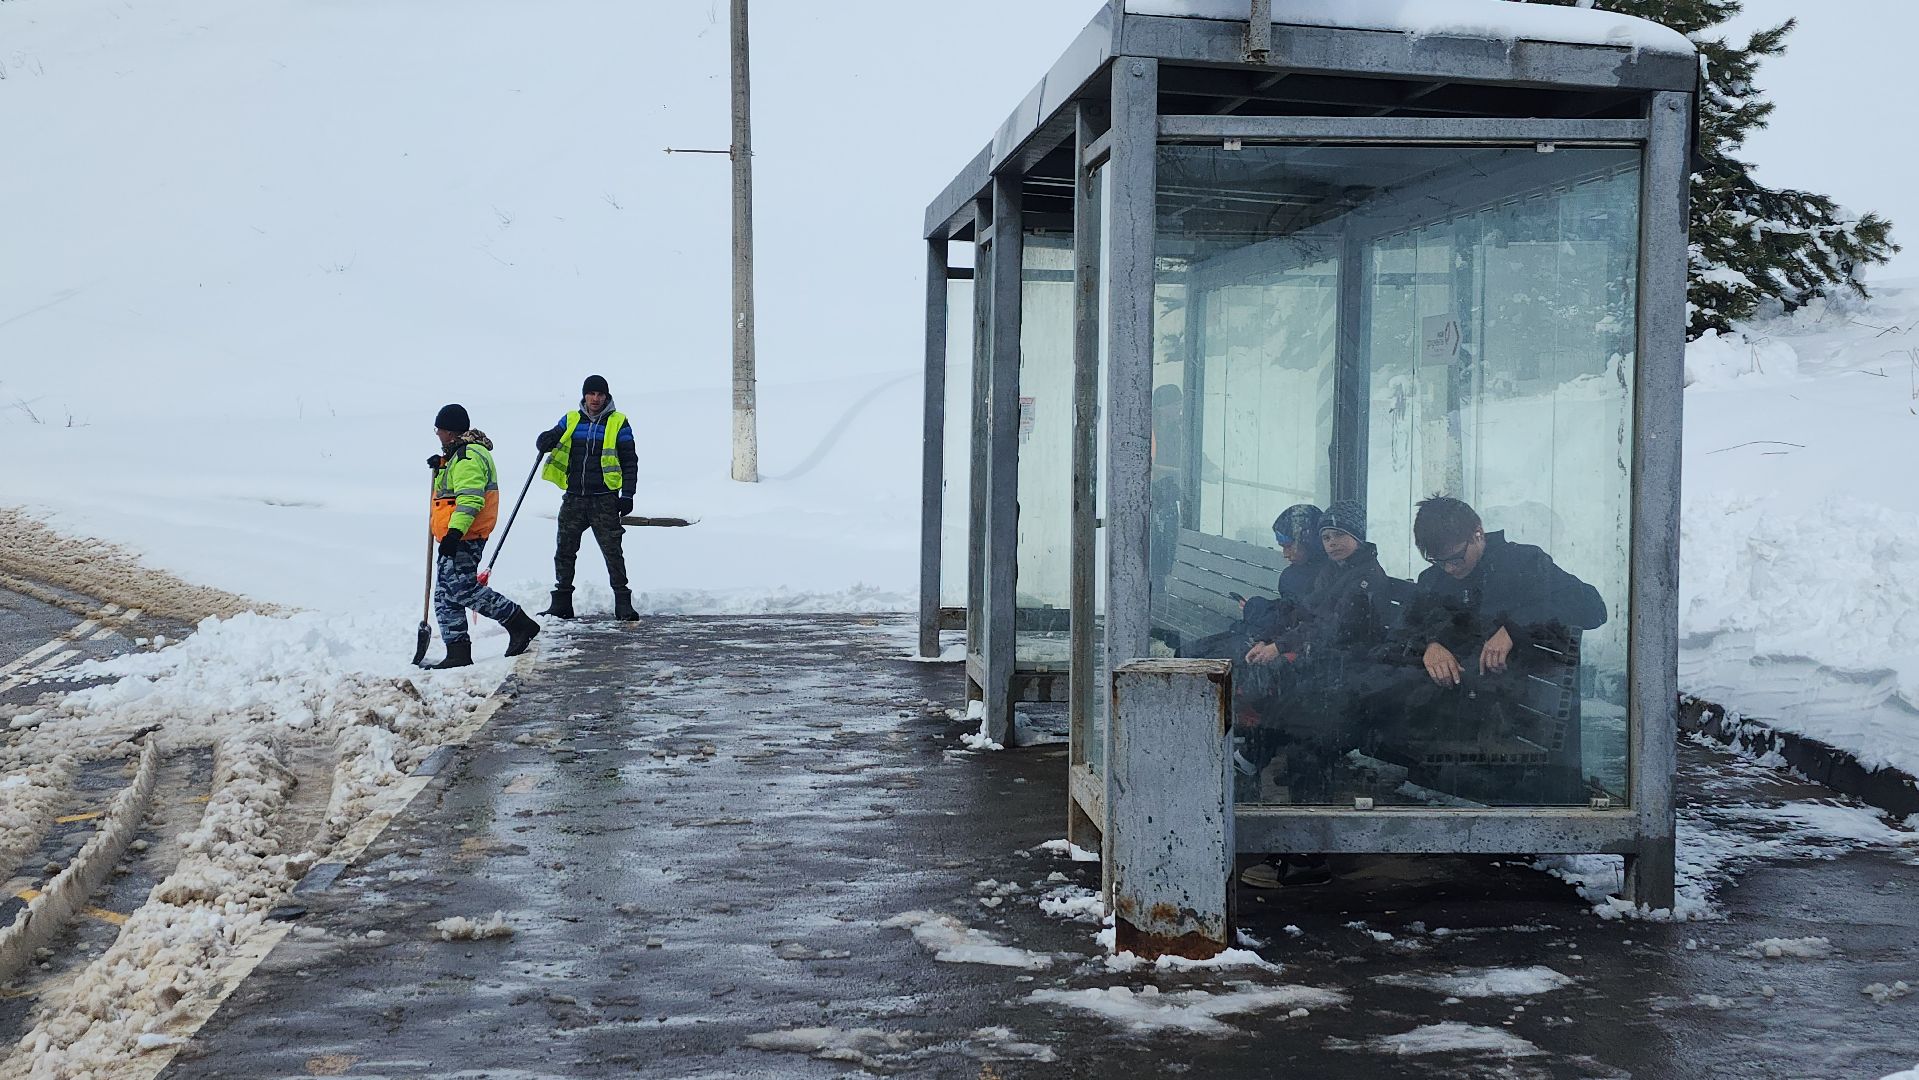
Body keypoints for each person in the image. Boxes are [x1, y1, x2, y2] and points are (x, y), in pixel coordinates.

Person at [1237, 500, 1391, 889]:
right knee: (1287, 706)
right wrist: (1278, 642)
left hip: (1358, 690)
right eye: (1326, 536)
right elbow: (1312, 621)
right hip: (1335, 679)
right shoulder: (1336, 574)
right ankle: (1250, 762)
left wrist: (1283, 649)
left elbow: (1334, 632)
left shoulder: (1365, 579)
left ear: (1357, 536)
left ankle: (1307, 858)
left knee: (1306, 741)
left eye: (1340, 535)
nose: (1332, 543)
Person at [1403, 496, 1606, 690]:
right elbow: (1403, 627)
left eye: (1456, 558)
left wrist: (1515, 627)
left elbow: (1593, 607)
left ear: (1478, 533)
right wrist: (1429, 645)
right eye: (1439, 561)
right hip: (1454, 705)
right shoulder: (1433, 579)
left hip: (1520, 706)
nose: (1450, 569)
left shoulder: (1524, 563)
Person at [426, 404, 540, 669]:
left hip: (465, 535)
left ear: (450, 432)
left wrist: (455, 533)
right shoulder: (459, 455)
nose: (438, 435)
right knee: (445, 593)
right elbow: (454, 488)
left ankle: (518, 622)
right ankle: (457, 651)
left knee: (462, 588)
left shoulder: (468, 457)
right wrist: (441, 466)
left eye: (439, 430)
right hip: (456, 535)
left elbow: (470, 499)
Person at [533, 375, 640, 621]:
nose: (595, 399)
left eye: (600, 394)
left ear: (606, 397)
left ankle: (623, 601)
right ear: (584, 395)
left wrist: (628, 495)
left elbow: (630, 461)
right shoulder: (571, 419)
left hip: (604, 499)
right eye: (591, 393)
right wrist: (544, 439)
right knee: (564, 550)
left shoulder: (618, 422)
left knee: (612, 551)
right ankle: (562, 602)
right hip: (574, 498)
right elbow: (552, 436)